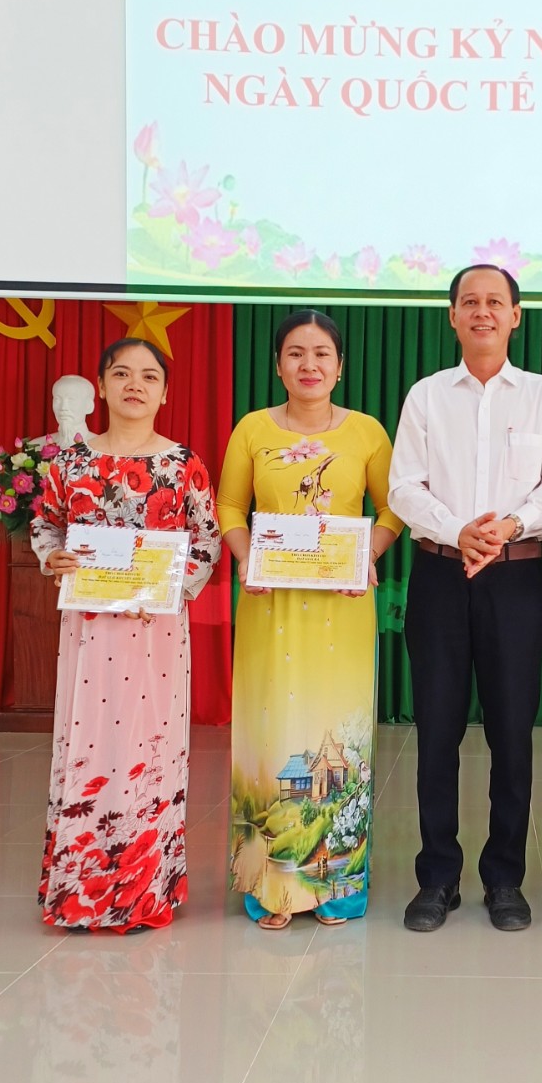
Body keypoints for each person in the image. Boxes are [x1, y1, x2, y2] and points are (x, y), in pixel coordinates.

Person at [389, 264, 542, 932]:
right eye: (469, 301)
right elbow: (403, 487)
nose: (483, 312)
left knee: (512, 734)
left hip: (515, 579)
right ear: (452, 316)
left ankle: (505, 879)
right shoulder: (426, 396)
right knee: (437, 732)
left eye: (496, 302)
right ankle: (437, 878)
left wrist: (510, 526)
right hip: (439, 575)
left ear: (516, 315)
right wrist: (458, 531)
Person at [219, 310, 402, 928]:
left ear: (340, 366)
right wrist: (247, 559)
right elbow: (229, 506)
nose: (309, 365)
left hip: (341, 604)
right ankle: (271, 888)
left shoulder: (367, 432)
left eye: (322, 353)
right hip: (269, 598)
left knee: (336, 731)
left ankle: (337, 887)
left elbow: (394, 509)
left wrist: (366, 555)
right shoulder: (252, 428)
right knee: (269, 723)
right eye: (296, 353)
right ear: (278, 365)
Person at [31, 338, 221, 932]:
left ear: (165, 392)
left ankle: (144, 890)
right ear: (102, 386)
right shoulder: (70, 463)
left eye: (148, 376)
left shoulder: (182, 464)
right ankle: (80, 890)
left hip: (155, 634)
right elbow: (46, 525)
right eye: (121, 374)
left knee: (149, 749)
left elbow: (207, 541)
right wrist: (52, 557)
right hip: (88, 633)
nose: (135, 384)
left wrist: (171, 589)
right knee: (87, 745)